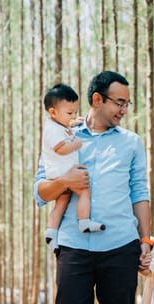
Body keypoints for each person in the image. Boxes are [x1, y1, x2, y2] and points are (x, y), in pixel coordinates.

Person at [33, 71, 152, 304]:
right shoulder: (62, 136)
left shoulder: (131, 142)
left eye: (127, 104)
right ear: (97, 99)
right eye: (118, 103)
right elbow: (40, 190)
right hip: (73, 243)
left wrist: (146, 241)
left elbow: (139, 192)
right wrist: (64, 181)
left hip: (121, 244)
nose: (124, 110)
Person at [41, 83, 105, 253]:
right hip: (63, 173)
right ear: (53, 112)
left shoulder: (59, 124)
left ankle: (51, 232)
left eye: (76, 111)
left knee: (61, 203)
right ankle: (84, 222)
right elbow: (61, 148)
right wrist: (76, 143)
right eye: (69, 113)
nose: (73, 116)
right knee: (84, 190)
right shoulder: (52, 130)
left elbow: (68, 127)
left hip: (57, 173)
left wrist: (74, 121)